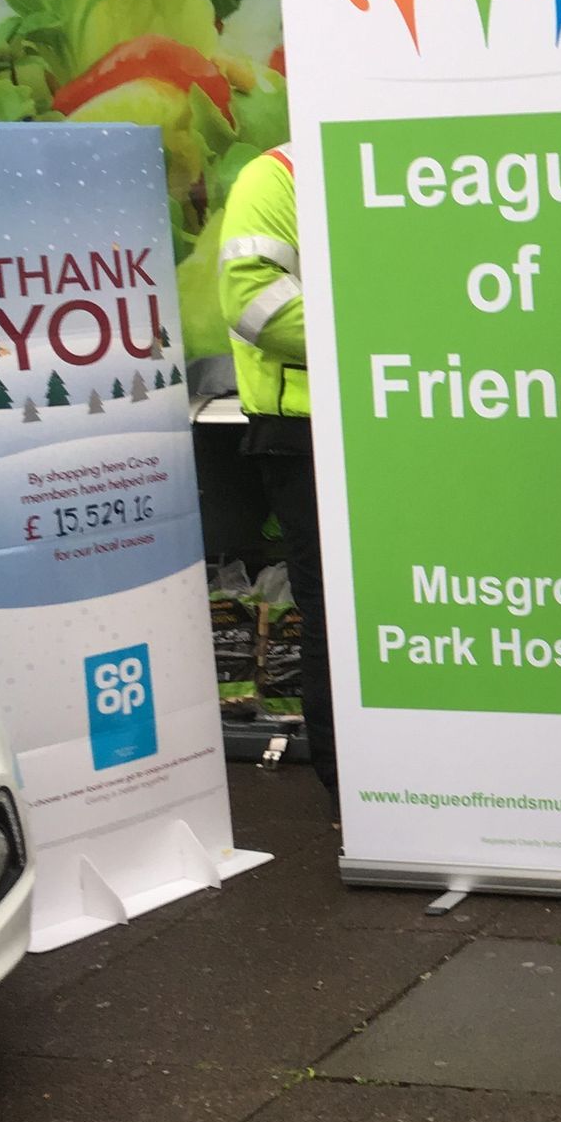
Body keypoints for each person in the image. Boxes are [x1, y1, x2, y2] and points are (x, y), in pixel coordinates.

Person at [218, 145, 337, 817]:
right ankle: (349, 786)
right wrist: (387, 334)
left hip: (396, 413)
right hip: (305, 431)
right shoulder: (277, 174)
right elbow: (253, 303)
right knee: (334, 616)